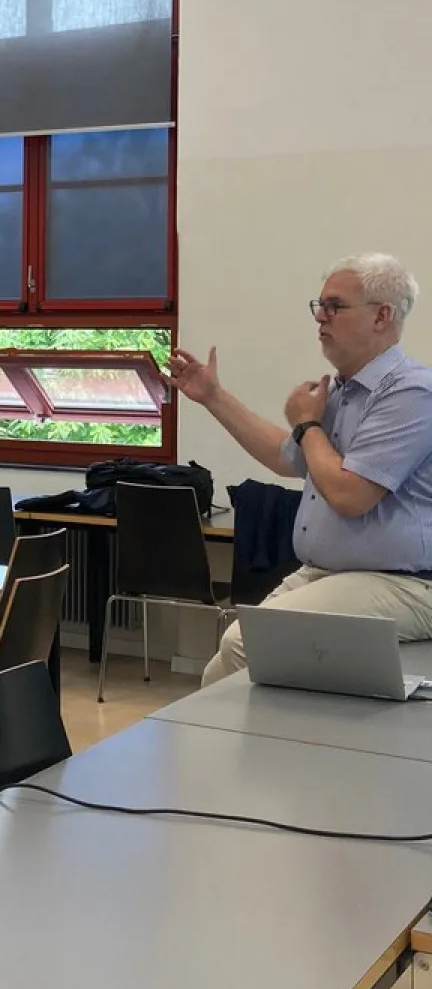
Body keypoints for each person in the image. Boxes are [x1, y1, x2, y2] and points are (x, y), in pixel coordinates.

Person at [172, 253, 432, 686]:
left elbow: (350, 496)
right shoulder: (345, 391)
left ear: (382, 316)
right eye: (319, 306)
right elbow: (285, 457)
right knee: (220, 672)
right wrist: (213, 397)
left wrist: (308, 424)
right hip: (332, 574)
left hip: (403, 583)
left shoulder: (411, 394)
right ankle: (235, 753)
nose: (321, 318)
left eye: (335, 306)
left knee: (244, 645)